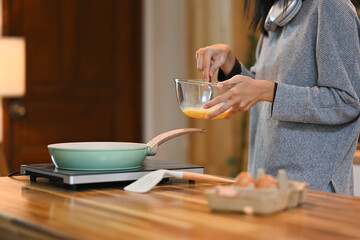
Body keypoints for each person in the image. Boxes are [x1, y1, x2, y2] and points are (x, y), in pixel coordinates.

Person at [195, 0, 360, 195]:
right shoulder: (276, 13)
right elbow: (262, 88)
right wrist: (231, 64)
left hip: (313, 189)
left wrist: (268, 91)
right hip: (268, 182)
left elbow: (347, 101)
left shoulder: (331, 6)